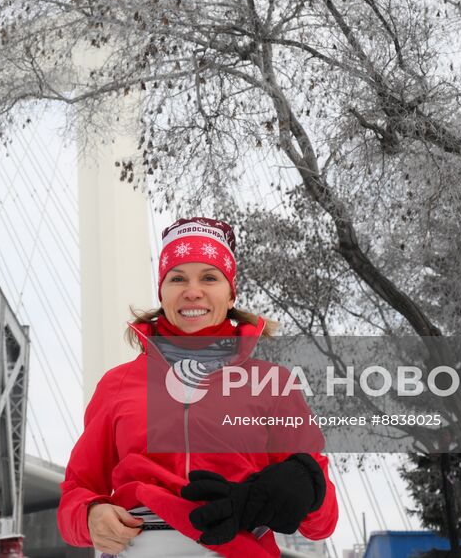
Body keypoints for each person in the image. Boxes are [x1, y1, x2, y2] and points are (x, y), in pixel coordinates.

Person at [58, 217, 339, 557]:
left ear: (231, 293)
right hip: (139, 545)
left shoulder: (272, 384)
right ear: (162, 292)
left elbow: (322, 522)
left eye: (209, 277)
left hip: (236, 544)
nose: (193, 291)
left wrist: (303, 487)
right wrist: (89, 515)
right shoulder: (117, 385)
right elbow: (78, 490)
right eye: (177, 278)